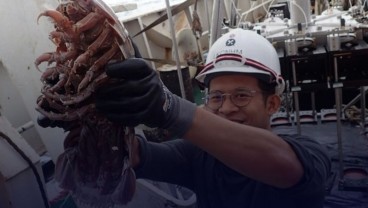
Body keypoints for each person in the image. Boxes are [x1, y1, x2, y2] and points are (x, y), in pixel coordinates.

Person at [42, 28, 332, 207]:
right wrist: (89, 113)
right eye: (216, 97)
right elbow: (135, 156)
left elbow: (286, 167)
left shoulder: (311, 156)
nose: (227, 108)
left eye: (241, 96)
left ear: (272, 104)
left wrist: (169, 108)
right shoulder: (197, 156)